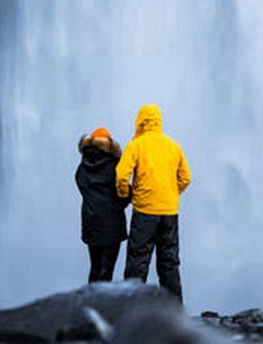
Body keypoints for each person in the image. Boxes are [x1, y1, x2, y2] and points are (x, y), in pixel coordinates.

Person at [115, 104, 191, 301]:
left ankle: (132, 310)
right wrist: (172, 193)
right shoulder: (174, 146)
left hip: (145, 212)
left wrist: (126, 195)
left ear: (140, 123)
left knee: (138, 262)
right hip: (170, 213)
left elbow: (121, 175)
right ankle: (175, 314)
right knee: (169, 263)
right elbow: (186, 178)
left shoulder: (137, 145)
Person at [75, 127, 129, 283]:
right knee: (107, 269)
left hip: (91, 223)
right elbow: (123, 192)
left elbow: (82, 187)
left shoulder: (82, 167)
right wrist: (123, 202)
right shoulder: (114, 166)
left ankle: (92, 301)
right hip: (111, 224)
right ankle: (102, 304)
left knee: (95, 267)